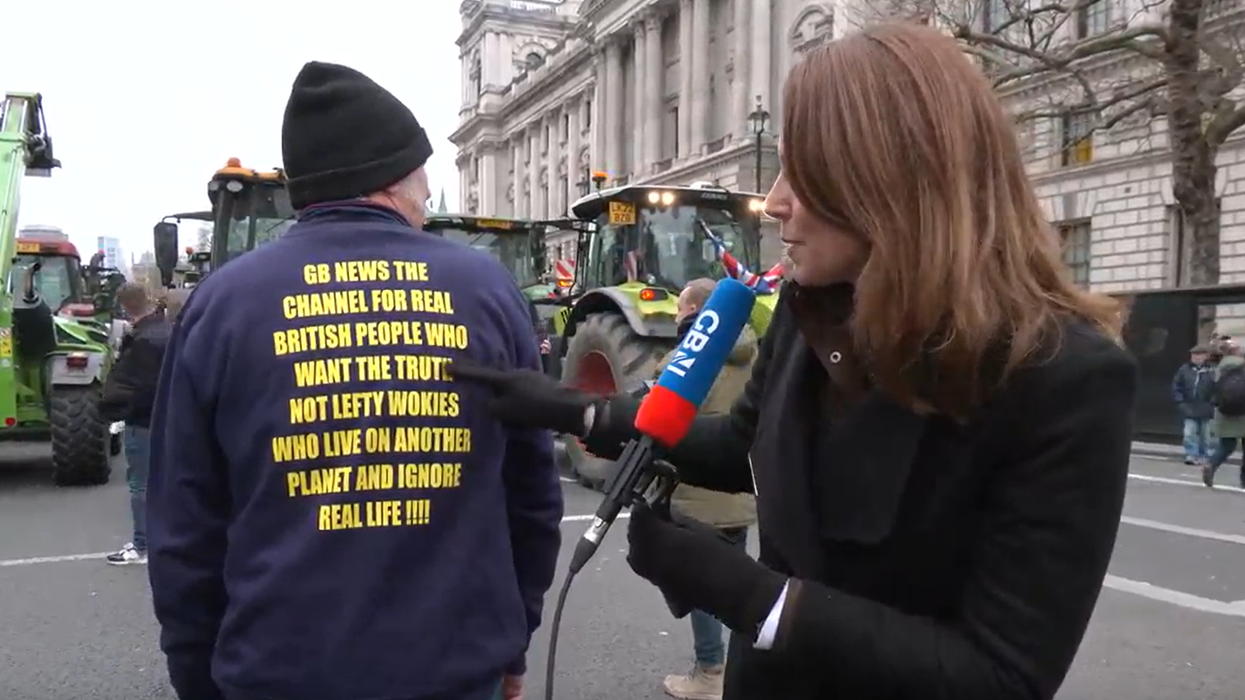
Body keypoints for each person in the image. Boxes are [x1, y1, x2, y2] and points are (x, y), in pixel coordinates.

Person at [450, 22, 1136, 700]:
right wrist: (575, 410)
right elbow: (736, 446)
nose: (774, 201)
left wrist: (751, 597)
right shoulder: (810, 314)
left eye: (802, 173)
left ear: (891, 179)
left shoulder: (1064, 375)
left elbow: (1000, 676)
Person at [146, 61, 563, 700]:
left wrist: (197, 678)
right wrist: (513, 639)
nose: (428, 192)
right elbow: (530, 496)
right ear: (393, 177)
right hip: (453, 671)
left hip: (276, 673)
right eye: (423, 173)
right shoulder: (487, 291)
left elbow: (185, 524)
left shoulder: (223, 303)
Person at [655, 278, 757, 700]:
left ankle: (709, 672)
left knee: (700, 585)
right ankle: (739, 673)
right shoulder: (755, 352)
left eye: (681, 309)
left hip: (698, 494)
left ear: (695, 310)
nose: (677, 317)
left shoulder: (692, 355)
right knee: (739, 584)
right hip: (740, 492)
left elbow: (663, 404)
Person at [100, 283, 170, 566]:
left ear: (125, 307)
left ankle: (142, 546)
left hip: (142, 421)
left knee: (140, 485)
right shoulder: (167, 332)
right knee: (164, 482)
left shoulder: (141, 341)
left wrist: (118, 412)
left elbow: (138, 387)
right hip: (167, 419)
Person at [1204, 340, 1245, 488]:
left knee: (1226, 445)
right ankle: (1244, 480)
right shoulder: (1243, 365)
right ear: (1236, 350)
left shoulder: (1219, 368)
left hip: (1225, 411)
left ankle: (1212, 464)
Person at [1172, 344, 1216, 465]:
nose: (1196, 357)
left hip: (1206, 406)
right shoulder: (1184, 369)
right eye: (1194, 355)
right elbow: (1177, 386)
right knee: (1189, 433)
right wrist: (1180, 401)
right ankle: (1191, 454)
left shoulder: (1212, 370)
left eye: (1199, 355)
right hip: (1189, 406)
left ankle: (1204, 454)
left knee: (1205, 434)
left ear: (1205, 356)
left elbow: (1217, 388)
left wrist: (1213, 401)